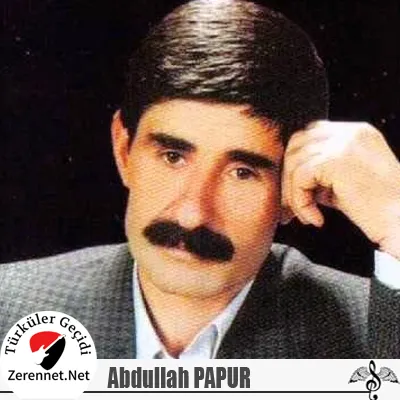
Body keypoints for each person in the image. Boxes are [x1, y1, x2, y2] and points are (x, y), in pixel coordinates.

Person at [1, 0, 399, 359]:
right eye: (173, 157)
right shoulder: (9, 307)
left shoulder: (373, 334)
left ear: (293, 192)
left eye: (242, 173)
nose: (192, 215)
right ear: (124, 152)